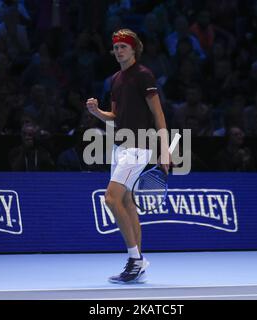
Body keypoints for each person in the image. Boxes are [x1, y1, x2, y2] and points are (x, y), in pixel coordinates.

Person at [85, 29, 170, 284]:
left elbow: (158, 115)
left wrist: (164, 150)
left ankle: (135, 259)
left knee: (111, 199)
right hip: (120, 147)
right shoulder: (115, 79)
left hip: (139, 146)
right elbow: (115, 116)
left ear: (134, 49)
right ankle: (139, 261)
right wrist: (97, 112)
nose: (119, 50)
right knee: (128, 202)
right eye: (117, 47)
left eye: (124, 46)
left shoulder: (144, 75)